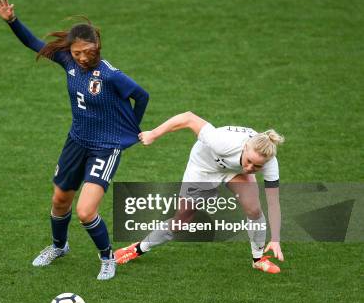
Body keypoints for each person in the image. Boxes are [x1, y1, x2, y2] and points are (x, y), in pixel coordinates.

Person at [0, 0, 149, 280]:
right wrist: (12, 21)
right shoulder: (67, 61)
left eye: (87, 51)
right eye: (77, 52)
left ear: (97, 47)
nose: (82, 57)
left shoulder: (110, 75)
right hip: (76, 141)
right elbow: (33, 43)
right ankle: (59, 246)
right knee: (59, 200)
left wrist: (129, 132)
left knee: (86, 211)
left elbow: (142, 96)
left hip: (105, 148)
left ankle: (106, 257)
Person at [114, 111, 285, 273]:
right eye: (249, 161)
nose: (249, 168)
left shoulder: (269, 162)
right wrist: (154, 134)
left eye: (257, 167)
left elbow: (273, 202)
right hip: (203, 167)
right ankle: (137, 248)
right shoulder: (222, 142)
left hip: (233, 172)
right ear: (246, 147)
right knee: (182, 221)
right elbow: (188, 118)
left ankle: (258, 259)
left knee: (254, 209)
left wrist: (275, 238)